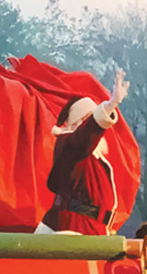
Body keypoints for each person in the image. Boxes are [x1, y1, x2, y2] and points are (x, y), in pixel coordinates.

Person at [39, 69, 130, 235]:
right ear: (77, 124)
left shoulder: (90, 155)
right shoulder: (69, 146)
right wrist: (110, 105)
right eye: (89, 118)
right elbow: (82, 139)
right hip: (77, 229)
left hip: (91, 228)